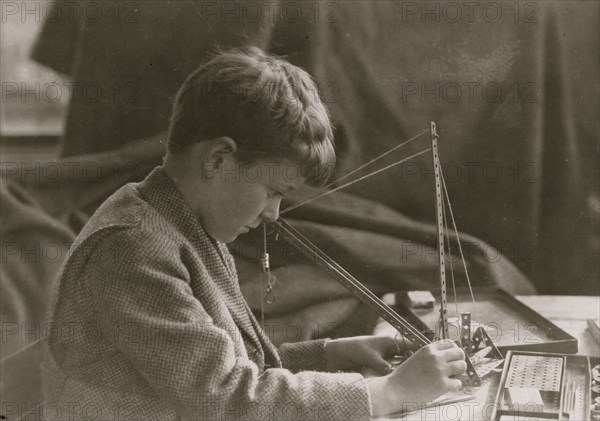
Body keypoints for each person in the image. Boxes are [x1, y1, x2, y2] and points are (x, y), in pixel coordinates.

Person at [42, 47, 467, 420]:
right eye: (272, 192)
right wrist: (388, 392)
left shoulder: (184, 225)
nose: (273, 214)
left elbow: (230, 366)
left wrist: (332, 354)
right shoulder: (133, 248)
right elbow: (227, 401)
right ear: (218, 160)